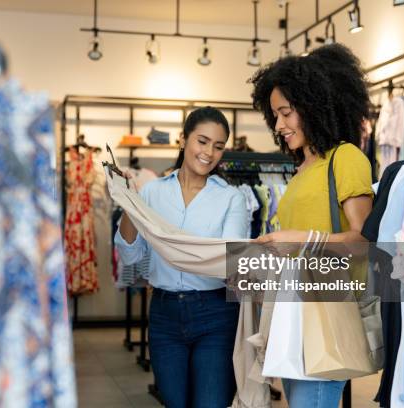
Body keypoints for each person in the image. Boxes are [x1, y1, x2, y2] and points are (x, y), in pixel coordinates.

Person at [250, 44, 374, 406]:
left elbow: (362, 241)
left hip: (326, 311)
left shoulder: (345, 158)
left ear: (315, 106)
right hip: (293, 311)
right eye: (274, 115)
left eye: (287, 113)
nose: (279, 125)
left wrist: (300, 239)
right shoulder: (303, 168)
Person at [115, 107, 249, 408]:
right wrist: (129, 203)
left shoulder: (232, 197)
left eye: (218, 146)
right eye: (202, 141)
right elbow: (131, 255)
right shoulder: (152, 193)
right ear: (183, 139)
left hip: (215, 314)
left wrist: (174, 247)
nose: (209, 152)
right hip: (164, 314)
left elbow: (230, 259)